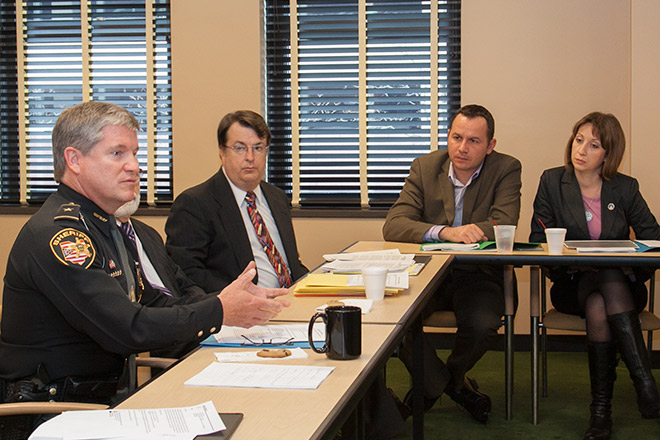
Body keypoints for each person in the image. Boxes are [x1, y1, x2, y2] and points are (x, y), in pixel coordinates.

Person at [0, 102, 290, 436]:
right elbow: (128, 329)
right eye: (117, 154)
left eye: (135, 153)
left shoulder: (104, 226)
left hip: (104, 402)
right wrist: (219, 310)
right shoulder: (61, 235)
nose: (134, 166)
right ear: (74, 160)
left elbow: (155, 304)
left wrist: (229, 301)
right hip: (54, 414)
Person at [383, 104, 522, 423]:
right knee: (396, 321)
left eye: (473, 141)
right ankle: (451, 387)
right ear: (448, 136)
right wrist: (446, 232)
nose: (462, 147)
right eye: (456, 137)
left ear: (490, 146)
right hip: (428, 272)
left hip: (479, 275)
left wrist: (476, 232)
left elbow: (504, 223)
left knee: (483, 325)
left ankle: (445, 380)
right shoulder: (424, 166)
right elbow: (394, 225)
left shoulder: (506, 168)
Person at [529, 112, 660, 440]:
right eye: (579, 140)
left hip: (623, 289)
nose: (582, 150)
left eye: (594, 144)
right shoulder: (551, 181)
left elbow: (653, 238)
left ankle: (601, 412)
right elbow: (536, 239)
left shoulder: (626, 188)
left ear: (609, 154)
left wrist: (627, 256)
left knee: (605, 293)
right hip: (572, 285)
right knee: (604, 285)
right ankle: (646, 387)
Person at [165, 110, 307, 292]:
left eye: (258, 147)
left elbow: (292, 264)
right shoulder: (195, 204)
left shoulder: (276, 197)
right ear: (222, 153)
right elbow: (186, 274)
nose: (250, 157)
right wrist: (244, 296)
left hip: (289, 302)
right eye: (239, 148)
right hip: (240, 313)